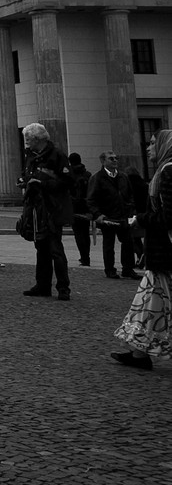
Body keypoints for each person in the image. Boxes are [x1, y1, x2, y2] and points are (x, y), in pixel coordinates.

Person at [111, 130, 172, 370]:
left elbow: (169, 216)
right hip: (160, 254)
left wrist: (141, 219)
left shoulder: (167, 172)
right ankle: (138, 353)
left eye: (153, 143)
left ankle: (139, 353)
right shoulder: (164, 170)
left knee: (151, 303)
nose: (148, 147)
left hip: (164, 253)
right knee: (148, 303)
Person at [21, 123, 73, 301]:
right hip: (36, 208)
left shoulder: (57, 155)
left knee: (55, 248)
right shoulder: (31, 156)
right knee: (41, 247)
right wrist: (25, 181)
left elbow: (68, 182)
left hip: (52, 207)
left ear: (37, 139)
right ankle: (42, 284)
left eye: (28, 139)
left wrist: (42, 183)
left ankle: (63, 287)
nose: (26, 143)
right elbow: (30, 176)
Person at [87, 151, 138, 280]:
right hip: (107, 217)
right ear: (103, 161)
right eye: (111, 159)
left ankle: (128, 268)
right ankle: (110, 269)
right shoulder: (97, 178)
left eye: (116, 158)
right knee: (109, 244)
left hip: (123, 215)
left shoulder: (123, 176)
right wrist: (97, 214)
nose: (115, 161)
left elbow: (130, 195)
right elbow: (91, 199)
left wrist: (131, 211)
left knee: (128, 242)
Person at [68, 152, 93, 267]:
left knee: (78, 233)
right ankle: (86, 256)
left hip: (74, 207)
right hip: (86, 206)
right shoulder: (87, 174)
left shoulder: (69, 175)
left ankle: (83, 257)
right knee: (85, 233)